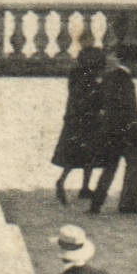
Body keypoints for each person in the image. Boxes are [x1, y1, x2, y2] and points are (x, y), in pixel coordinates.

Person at [89, 45, 137, 215]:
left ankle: (96, 204)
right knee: (133, 167)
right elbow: (130, 111)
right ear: (132, 62)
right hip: (128, 133)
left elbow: (98, 103)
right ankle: (127, 204)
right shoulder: (126, 81)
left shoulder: (109, 77)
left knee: (109, 168)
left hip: (111, 131)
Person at [51, 46, 106, 205]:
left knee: (79, 154)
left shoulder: (76, 74)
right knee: (86, 154)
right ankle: (77, 185)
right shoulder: (90, 76)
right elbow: (92, 98)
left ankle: (72, 183)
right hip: (85, 120)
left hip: (77, 119)